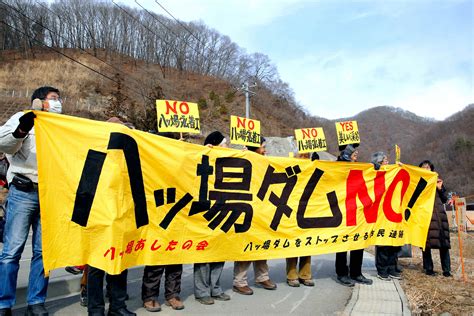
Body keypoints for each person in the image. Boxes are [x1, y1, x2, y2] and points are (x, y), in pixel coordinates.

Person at [0, 86, 63, 316]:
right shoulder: (21, 118)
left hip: (51, 194)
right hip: (23, 191)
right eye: (54, 99)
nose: (58, 103)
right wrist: (24, 126)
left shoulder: (63, 126)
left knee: (43, 252)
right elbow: (4, 144)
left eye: (59, 99)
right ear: (39, 101)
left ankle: (36, 302)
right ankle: (3, 304)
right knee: (11, 251)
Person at [87, 117, 136, 316]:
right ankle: (96, 309)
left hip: (122, 215)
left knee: (120, 262)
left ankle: (118, 306)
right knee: (96, 266)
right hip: (98, 216)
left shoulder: (130, 157)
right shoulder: (95, 154)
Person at [141, 131, 185, 312]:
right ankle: (149, 296)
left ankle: (172, 295)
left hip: (179, 210)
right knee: (156, 257)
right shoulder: (152, 157)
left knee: (176, 257)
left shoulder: (181, 159)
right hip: (157, 210)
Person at [233, 137, 277, 295]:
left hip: (262, 210)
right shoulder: (242, 159)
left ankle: (262, 277)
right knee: (246, 246)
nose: (265, 150)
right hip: (245, 209)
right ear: (254, 148)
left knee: (261, 244)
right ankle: (239, 282)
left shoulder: (265, 161)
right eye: (263, 147)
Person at [193, 131, 231, 305]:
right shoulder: (201, 157)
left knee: (220, 251)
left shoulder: (228, 161)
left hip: (223, 209)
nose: (228, 147)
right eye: (225, 144)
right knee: (203, 253)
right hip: (204, 211)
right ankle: (201, 291)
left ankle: (215, 288)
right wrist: (203, 151)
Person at [334, 144, 373, 287]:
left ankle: (356, 272)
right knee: (342, 243)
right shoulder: (338, 167)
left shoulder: (360, 168)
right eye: (353, 153)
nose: (356, 155)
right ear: (346, 155)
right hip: (343, 211)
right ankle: (342, 273)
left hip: (358, 211)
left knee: (359, 242)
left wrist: (374, 167)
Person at [371, 152, 402, 281]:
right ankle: (382, 270)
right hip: (380, 214)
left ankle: (392, 268)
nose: (387, 162)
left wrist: (400, 168)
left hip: (393, 212)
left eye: (387, 160)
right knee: (383, 243)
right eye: (384, 160)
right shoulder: (374, 173)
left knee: (394, 242)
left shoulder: (392, 173)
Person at [286, 152, 315, 287]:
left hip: (308, 211)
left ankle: (305, 274)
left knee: (307, 244)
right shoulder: (290, 167)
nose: (305, 159)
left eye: (306, 156)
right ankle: (292, 275)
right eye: (302, 156)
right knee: (293, 245)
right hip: (292, 211)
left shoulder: (312, 168)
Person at [419, 160, 452, 277]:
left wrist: (440, 188)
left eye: (428, 167)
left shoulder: (437, 181)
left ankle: (446, 270)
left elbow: (444, 199)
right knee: (426, 244)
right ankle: (428, 268)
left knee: (443, 243)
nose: (426, 169)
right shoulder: (419, 182)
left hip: (439, 217)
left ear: (432, 169)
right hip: (426, 216)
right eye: (423, 167)